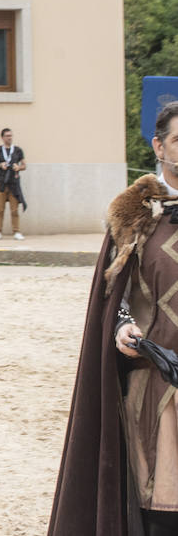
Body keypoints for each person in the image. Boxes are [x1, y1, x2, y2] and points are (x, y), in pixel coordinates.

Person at [51, 101, 178, 535]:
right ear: (159, 147)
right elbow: (114, 293)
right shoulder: (134, 214)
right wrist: (123, 324)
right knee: (162, 510)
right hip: (157, 382)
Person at [0, 127, 27, 241]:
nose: (9, 138)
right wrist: (1, 165)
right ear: (2, 137)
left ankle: (16, 231)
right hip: (1, 183)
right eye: (7, 136)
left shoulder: (18, 150)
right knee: (0, 209)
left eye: (11, 135)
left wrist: (18, 167)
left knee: (14, 210)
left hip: (14, 183)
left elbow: (24, 165)